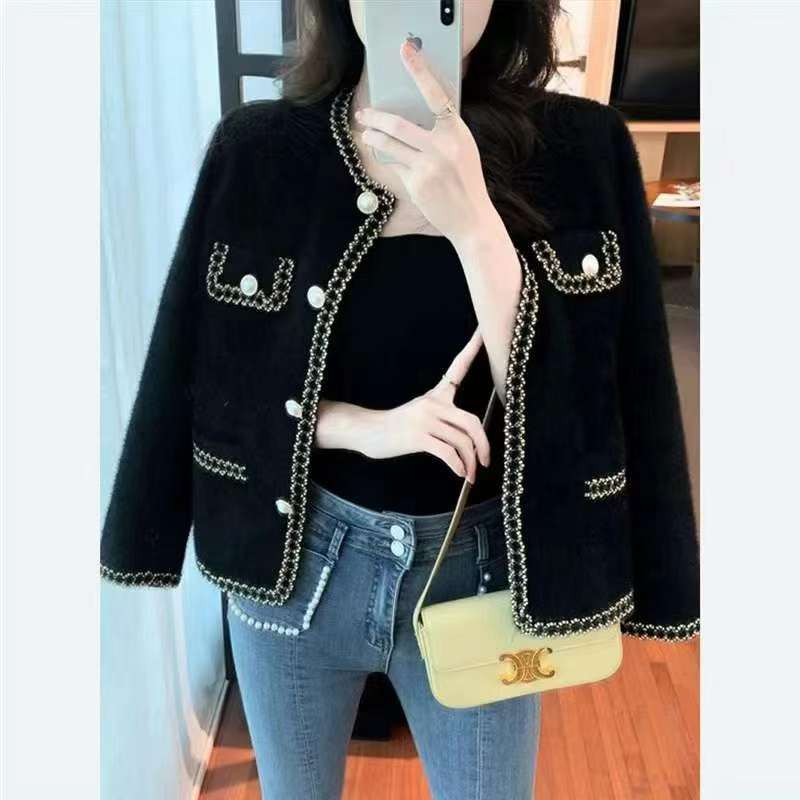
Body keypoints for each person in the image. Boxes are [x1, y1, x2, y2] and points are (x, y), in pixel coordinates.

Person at [100, 1, 700, 798]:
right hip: (295, 571)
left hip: (483, 576)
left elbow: (598, 406)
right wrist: (365, 428)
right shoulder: (259, 151)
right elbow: (210, 380)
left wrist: (475, 225)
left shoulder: (582, 151)